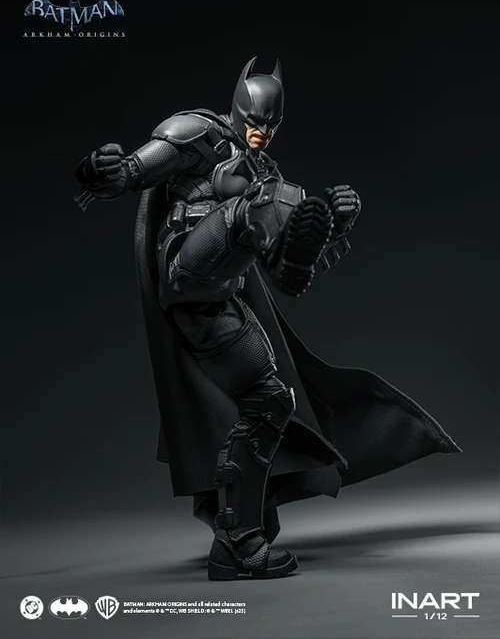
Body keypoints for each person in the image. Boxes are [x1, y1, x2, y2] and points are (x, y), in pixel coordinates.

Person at [75, 57, 460, 581]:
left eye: (271, 125)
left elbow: (306, 251)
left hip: (219, 305)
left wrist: (335, 225)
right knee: (269, 201)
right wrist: (100, 170)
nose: (261, 133)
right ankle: (281, 261)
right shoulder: (198, 135)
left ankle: (238, 536)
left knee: (272, 401)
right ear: (237, 110)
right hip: (187, 267)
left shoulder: (265, 173)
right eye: (254, 122)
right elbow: (129, 173)